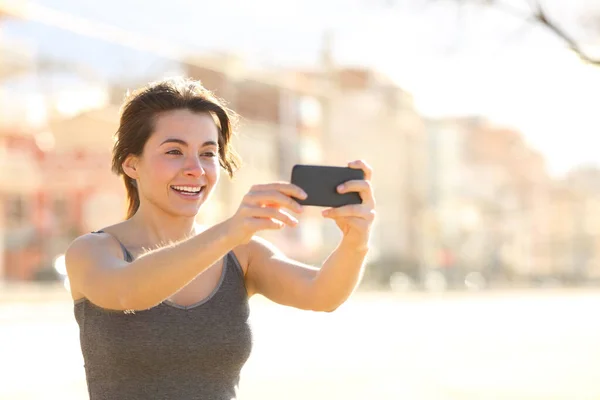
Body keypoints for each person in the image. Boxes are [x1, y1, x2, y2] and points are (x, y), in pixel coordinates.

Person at [64, 76, 376, 400]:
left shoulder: (241, 253)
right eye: (174, 151)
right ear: (131, 164)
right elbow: (128, 293)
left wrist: (356, 241)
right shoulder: (92, 251)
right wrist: (229, 231)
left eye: (208, 153)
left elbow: (322, 294)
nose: (195, 169)